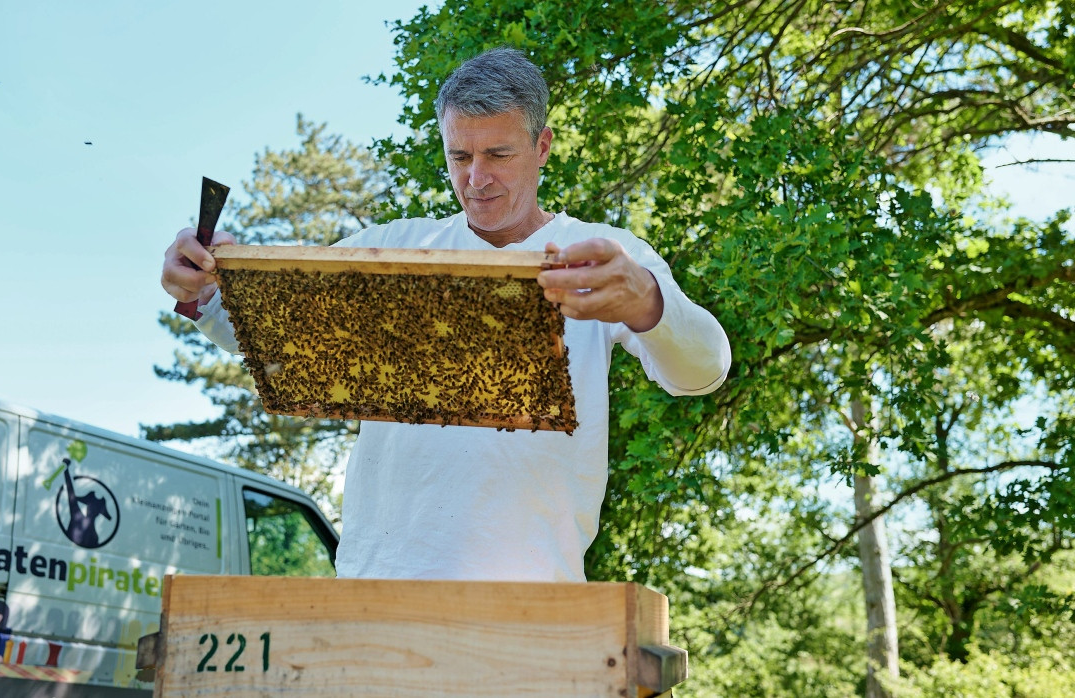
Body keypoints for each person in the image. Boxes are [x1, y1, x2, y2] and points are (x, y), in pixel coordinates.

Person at [161, 47, 732, 582]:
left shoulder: (601, 254)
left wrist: (646, 301)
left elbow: (704, 370)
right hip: (377, 586)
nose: (475, 179)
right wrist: (208, 286)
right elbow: (277, 336)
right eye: (460, 156)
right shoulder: (394, 247)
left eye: (498, 155)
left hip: (531, 599)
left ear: (543, 147)